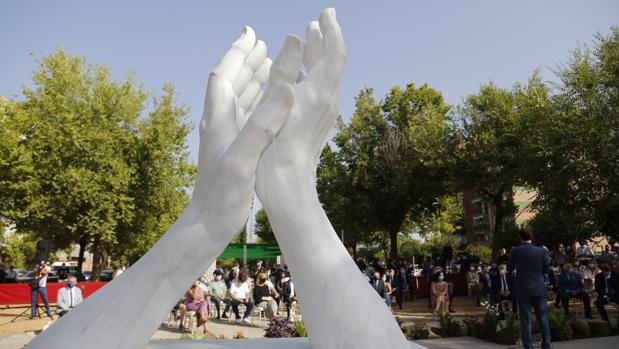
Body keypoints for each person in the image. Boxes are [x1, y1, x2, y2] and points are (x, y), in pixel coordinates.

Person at [507, 229, 552, 349]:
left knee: (525, 319)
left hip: (523, 288)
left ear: (520, 238)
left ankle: (528, 346)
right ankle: (546, 344)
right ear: (532, 237)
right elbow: (547, 270)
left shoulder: (515, 251)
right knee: (542, 317)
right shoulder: (541, 251)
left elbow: (509, 269)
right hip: (538, 287)